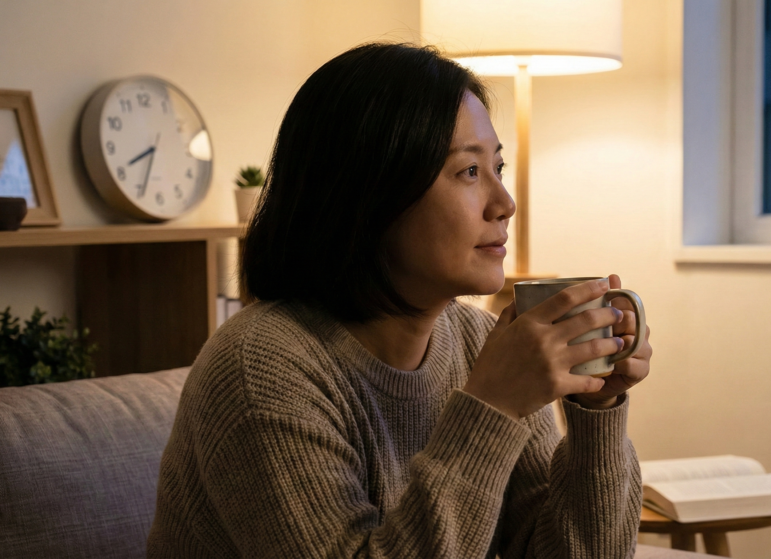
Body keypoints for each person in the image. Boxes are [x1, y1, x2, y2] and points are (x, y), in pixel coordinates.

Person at [147, 42, 653, 559]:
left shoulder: (477, 339)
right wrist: (492, 405)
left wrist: (597, 409)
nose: (505, 203)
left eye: (498, 168)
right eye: (469, 172)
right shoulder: (260, 368)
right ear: (370, 193)